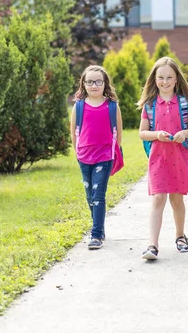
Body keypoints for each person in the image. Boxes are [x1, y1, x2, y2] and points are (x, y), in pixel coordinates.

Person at [137, 57, 188, 260]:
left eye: (169, 77)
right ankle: (152, 245)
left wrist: (184, 133)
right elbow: (142, 133)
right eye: (161, 77)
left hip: (179, 157)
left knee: (177, 199)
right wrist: (157, 135)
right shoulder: (149, 105)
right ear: (154, 79)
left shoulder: (183, 103)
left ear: (176, 79)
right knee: (158, 198)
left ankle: (180, 236)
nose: (165, 81)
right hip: (159, 158)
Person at [70, 65, 123, 250]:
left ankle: (96, 234)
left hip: (104, 155)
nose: (94, 85)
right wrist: (77, 152)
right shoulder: (79, 106)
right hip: (84, 155)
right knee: (89, 195)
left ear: (104, 83)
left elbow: (118, 131)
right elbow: (74, 132)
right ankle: (98, 225)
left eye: (98, 81)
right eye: (90, 82)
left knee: (98, 194)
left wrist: (115, 151)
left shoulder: (112, 106)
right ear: (83, 84)